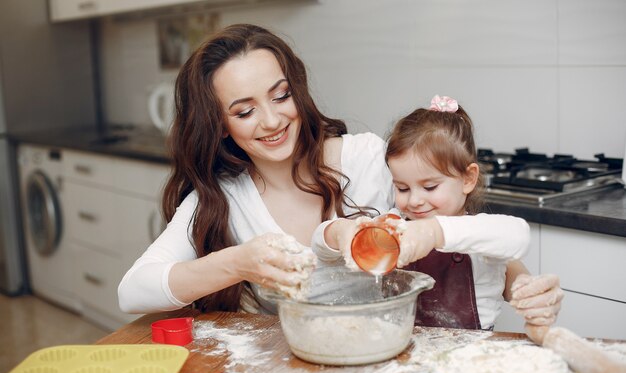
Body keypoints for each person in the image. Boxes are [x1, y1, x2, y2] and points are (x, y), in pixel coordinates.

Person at [117, 24, 395, 314]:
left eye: (281, 96)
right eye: (245, 112)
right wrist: (238, 263)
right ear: (220, 126)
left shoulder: (367, 159)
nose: (272, 121)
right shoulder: (222, 198)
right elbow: (132, 292)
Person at [312, 95, 564, 330]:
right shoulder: (394, 228)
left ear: (468, 179)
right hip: (402, 355)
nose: (415, 200)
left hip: (468, 360)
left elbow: (518, 235)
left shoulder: (481, 235)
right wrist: (340, 232)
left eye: (430, 186)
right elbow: (319, 246)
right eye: (402, 187)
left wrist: (434, 232)